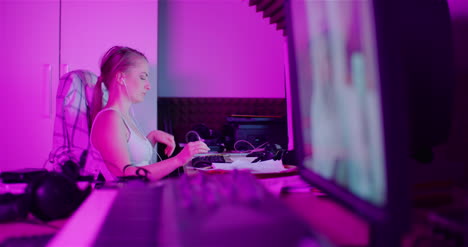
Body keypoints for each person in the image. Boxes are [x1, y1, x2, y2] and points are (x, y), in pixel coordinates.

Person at [90, 46, 209, 181]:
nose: (148, 85)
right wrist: (179, 159)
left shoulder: (124, 117)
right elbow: (125, 175)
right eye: (142, 77)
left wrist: (151, 138)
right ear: (120, 77)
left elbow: (138, 163)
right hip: (123, 199)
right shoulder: (109, 118)